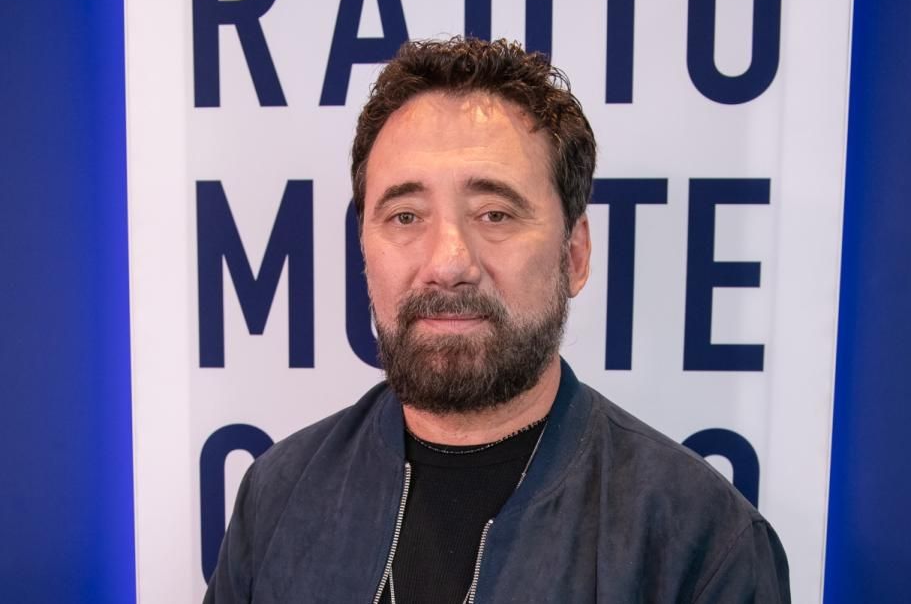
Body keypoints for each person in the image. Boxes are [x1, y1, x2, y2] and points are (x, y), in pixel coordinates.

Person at [204, 37, 791, 603]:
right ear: (364, 248)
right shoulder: (277, 499)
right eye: (406, 216)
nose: (447, 264)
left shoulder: (701, 543)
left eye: (495, 214)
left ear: (574, 255)